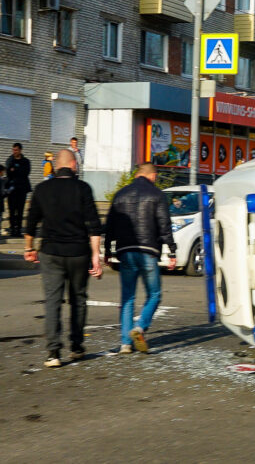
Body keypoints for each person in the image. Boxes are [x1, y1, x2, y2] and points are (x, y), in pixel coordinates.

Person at [24, 149, 103, 368]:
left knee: (52, 301)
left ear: (57, 166)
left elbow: (30, 223)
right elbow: (94, 225)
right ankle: (77, 347)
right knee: (78, 299)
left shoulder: (42, 189)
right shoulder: (83, 188)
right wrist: (96, 256)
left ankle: (53, 352)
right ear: (73, 165)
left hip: (50, 252)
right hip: (78, 252)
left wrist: (29, 248)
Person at [104, 162, 177, 354]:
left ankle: (125, 343)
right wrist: (172, 251)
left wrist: (107, 251)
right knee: (154, 294)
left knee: (128, 297)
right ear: (152, 176)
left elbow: (110, 224)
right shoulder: (157, 195)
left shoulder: (120, 195)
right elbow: (164, 225)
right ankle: (140, 327)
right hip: (148, 251)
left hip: (126, 251)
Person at [6, 142, 31, 237]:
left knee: (20, 210)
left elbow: (25, 173)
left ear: (20, 150)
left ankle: (19, 230)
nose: (14, 152)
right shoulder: (10, 160)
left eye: (16, 150)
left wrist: (15, 170)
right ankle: (12, 229)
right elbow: (8, 173)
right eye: (13, 150)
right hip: (11, 189)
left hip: (22, 189)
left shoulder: (25, 161)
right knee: (12, 210)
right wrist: (15, 171)